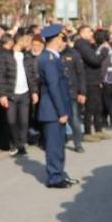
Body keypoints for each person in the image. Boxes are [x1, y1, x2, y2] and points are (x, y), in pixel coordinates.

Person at [37, 25, 77, 188]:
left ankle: (60, 175)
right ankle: (54, 177)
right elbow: (54, 87)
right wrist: (62, 112)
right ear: (56, 39)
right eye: (62, 38)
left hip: (56, 109)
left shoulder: (53, 57)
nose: (63, 42)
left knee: (60, 145)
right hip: (52, 110)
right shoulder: (49, 59)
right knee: (54, 147)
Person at [0, 29, 40, 156]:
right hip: (11, 94)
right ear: (21, 40)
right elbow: (0, 76)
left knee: (24, 121)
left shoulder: (27, 56)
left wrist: (34, 92)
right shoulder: (5, 55)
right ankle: (16, 142)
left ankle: (21, 144)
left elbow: (31, 75)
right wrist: (2, 94)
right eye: (28, 40)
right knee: (11, 121)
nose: (29, 43)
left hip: (25, 93)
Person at [74, 25, 107, 141]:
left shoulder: (87, 44)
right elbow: (94, 60)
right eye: (88, 31)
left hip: (95, 78)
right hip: (89, 79)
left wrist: (95, 45)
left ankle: (98, 129)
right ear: (81, 33)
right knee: (90, 107)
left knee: (98, 106)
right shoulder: (81, 44)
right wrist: (104, 51)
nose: (91, 34)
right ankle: (87, 132)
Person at [60, 34, 87, 153]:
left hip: (71, 92)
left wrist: (82, 92)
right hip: (57, 92)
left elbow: (81, 74)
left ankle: (78, 143)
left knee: (74, 119)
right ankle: (61, 140)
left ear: (65, 42)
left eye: (61, 41)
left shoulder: (74, 54)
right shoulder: (53, 54)